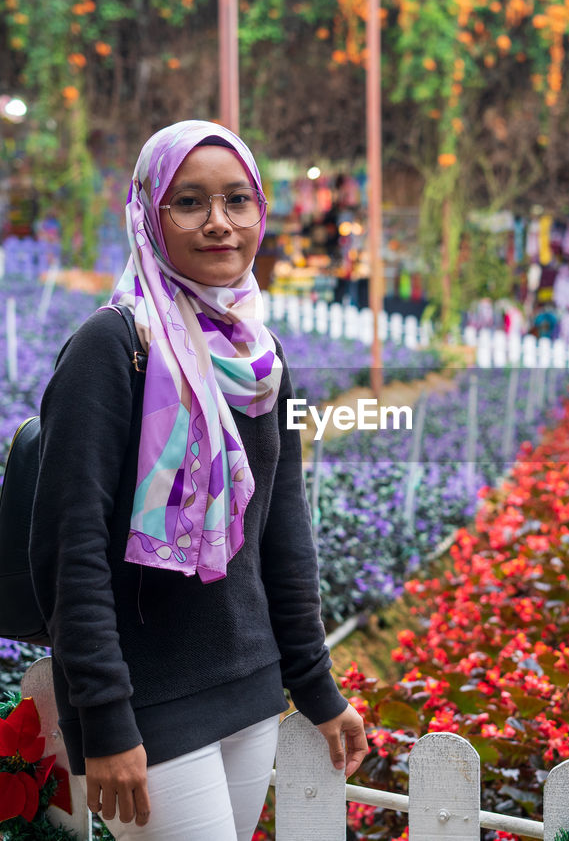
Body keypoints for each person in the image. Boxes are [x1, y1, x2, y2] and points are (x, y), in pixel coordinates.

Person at [30, 120, 369, 840]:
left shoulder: (262, 357)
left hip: (248, 688)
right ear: (150, 214)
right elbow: (71, 547)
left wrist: (316, 686)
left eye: (237, 200)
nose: (219, 222)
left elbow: (283, 533)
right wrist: (107, 717)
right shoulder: (113, 345)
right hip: (150, 704)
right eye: (189, 202)